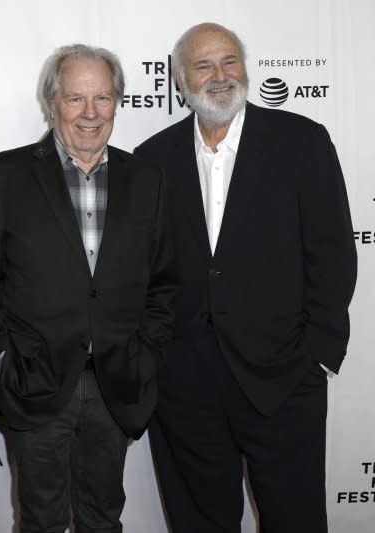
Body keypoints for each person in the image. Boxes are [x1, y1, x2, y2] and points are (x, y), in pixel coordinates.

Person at [134, 22, 356, 533]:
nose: (220, 75)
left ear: (246, 67)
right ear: (178, 79)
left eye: (229, 61)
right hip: (184, 385)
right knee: (200, 522)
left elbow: (334, 254)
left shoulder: (301, 141)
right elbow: (144, 273)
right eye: (203, 65)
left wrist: (315, 352)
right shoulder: (151, 160)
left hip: (283, 375)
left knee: (295, 518)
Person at [0, 44, 176, 532]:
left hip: (116, 382)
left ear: (117, 103)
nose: (90, 113)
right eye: (76, 98)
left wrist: (145, 356)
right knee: (41, 520)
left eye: (103, 98)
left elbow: (163, 283)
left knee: (104, 518)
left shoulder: (147, 180)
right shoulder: (4, 174)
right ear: (52, 101)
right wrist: (2, 361)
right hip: (35, 382)